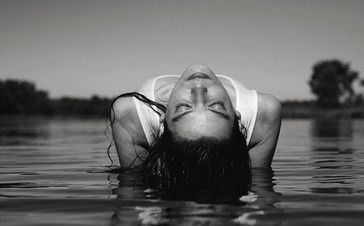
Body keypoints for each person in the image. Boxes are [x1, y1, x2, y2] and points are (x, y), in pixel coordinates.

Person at [109, 64, 281, 199]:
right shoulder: (262, 112)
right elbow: (259, 192)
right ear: (237, 116)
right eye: (216, 105)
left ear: (163, 119)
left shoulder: (131, 113)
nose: (199, 88)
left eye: (183, 107)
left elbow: (132, 199)